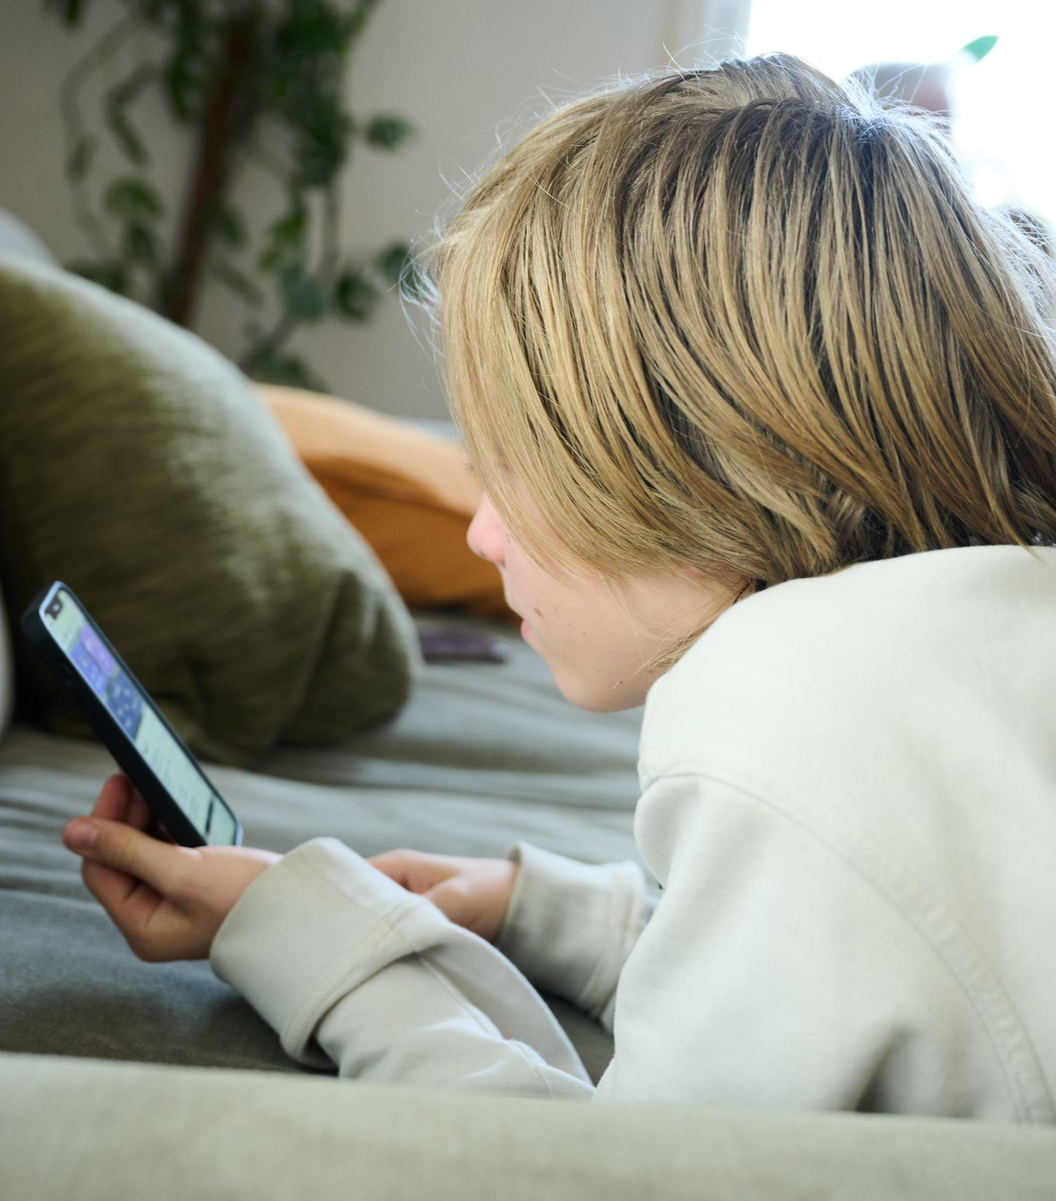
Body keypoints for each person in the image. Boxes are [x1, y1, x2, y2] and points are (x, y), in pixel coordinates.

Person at [61, 53, 1056, 1121]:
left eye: (508, 468)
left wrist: (311, 932)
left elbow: (608, 1180)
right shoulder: (972, 632)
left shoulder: (786, 700)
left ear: (687, 460)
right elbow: (893, 940)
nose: (481, 532)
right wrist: (544, 910)